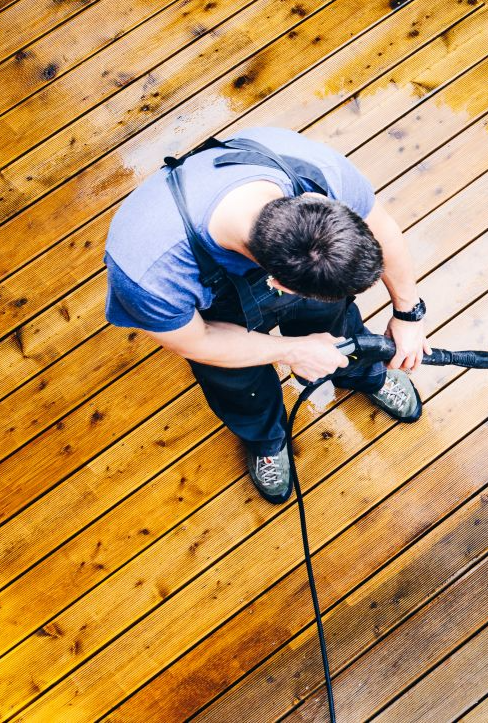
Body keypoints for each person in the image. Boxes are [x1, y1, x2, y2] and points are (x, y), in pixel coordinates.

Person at [103, 127, 429, 504]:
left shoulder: (315, 172)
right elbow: (197, 341)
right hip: (213, 320)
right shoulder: (148, 270)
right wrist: (291, 351)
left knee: (337, 324)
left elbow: (382, 228)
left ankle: (362, 372)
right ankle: (266, 437)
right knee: (237, 381)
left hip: (286, 277)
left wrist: (409, 313)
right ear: (280, 285)